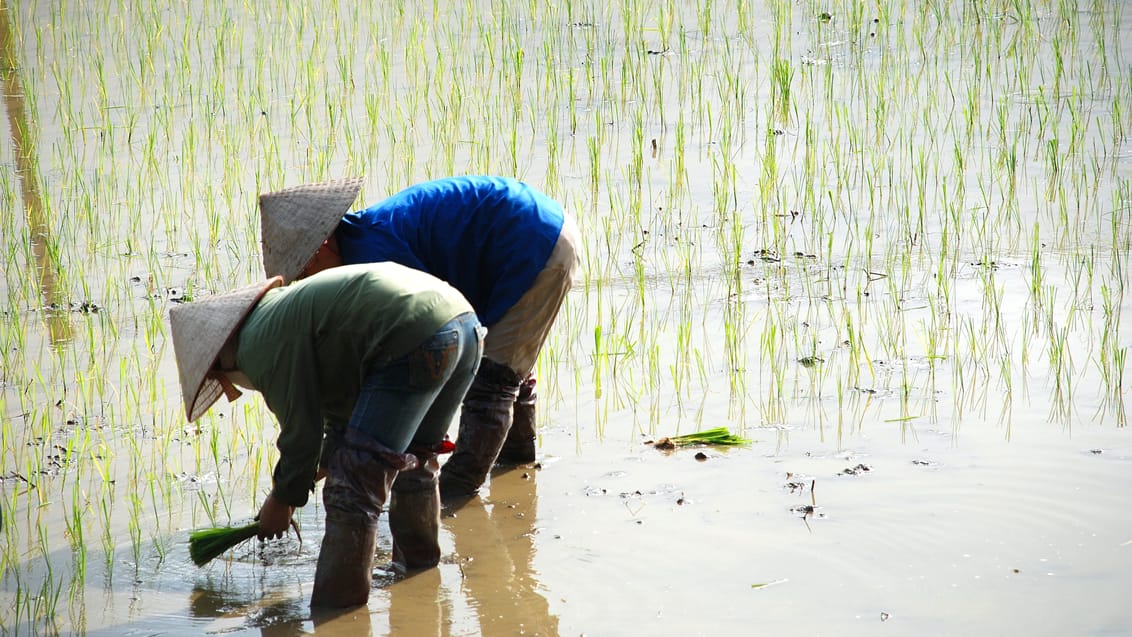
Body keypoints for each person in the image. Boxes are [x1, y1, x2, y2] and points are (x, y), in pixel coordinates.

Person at [169, 262, 483, 608]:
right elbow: (343, 423)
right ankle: (420, 577)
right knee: (416, 460)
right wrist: (310, 474)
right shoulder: (282, 314)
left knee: (353, 488)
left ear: (217, 366)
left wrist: (283, 498)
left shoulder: (258, 346)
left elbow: (301, 432)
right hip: (462, 325)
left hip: (412, 335)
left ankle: (337, 611)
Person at [258, 175, 580, 507]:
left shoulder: (372, 260)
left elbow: (427, 343)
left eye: (304, 271)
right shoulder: (363, 239)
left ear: (321, 247)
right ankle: (516, 465)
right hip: (537, 230)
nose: (308, 281)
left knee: (493, 385)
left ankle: (457, 500)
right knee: (508, 368)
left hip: (533, 245)